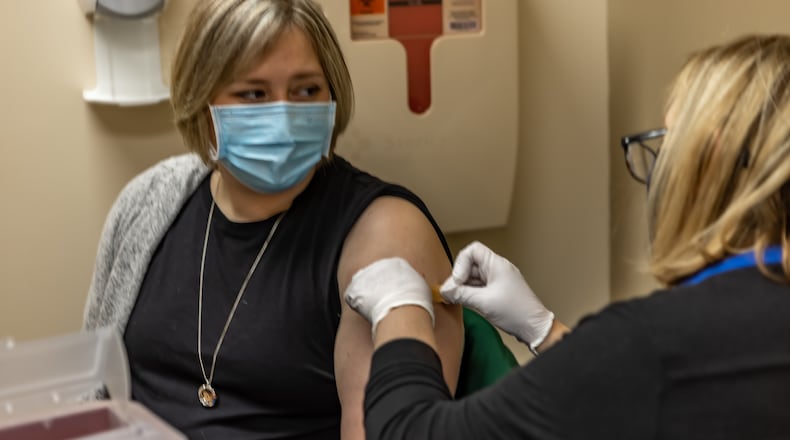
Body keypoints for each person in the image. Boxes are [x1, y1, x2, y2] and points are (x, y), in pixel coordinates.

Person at [344, 34, 790, 439]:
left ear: (707, 160)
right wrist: (548, 331)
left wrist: (399, 311)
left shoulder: (652, 343)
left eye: (666, 145)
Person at [82, 0, 465, 438]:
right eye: (254, 94)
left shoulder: (382, 237)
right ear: (200, 101)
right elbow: (93, 391)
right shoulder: (148, 201)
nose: (283, 116)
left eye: (306, 90)